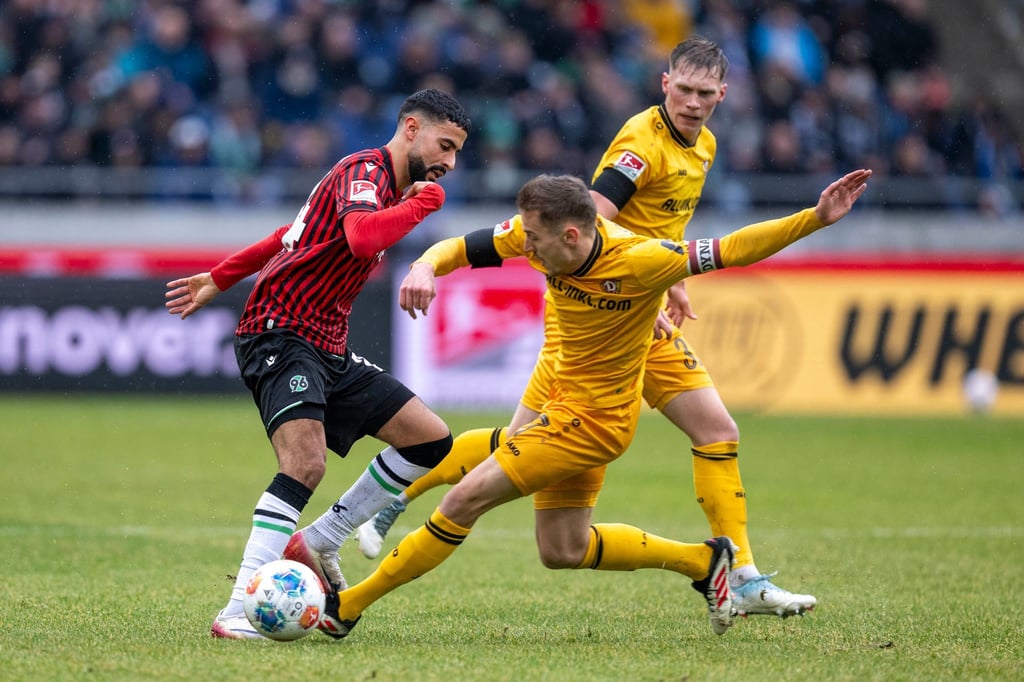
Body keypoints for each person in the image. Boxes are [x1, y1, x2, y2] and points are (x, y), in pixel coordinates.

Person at [359, 36, 815, 618]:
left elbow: (655, 230)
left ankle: (740, 574)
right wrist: (638, 276)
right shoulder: (640, 142)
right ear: (664, 83)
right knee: (521, 446)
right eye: (685, 90)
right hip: (601, 311)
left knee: (716, 430)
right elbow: (595, 215)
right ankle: (395, 495)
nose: (694, 104)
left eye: (706, 94)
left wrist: (665, 274)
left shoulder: (704, 145)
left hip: (640, 305)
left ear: (723, 94)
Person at [308, 170, 870, 639]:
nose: (523, 246)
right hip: (562, 406)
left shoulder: (642, 261)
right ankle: (706, 561)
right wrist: (426, 265)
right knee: (563, 549)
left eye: (533, 238)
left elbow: (735, 248)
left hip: (589, 425)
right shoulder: (543, 236)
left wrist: (814, 218)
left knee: (464, 500)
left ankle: (349, 606)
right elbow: (462, 245)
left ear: (574, 236)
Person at [163, 88, 472, 639]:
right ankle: (237, 611)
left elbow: (289, 236)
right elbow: (359, 239)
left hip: (327, 345)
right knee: (304, 464)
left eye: (456, 153)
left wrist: (219, 276)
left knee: (430, 440)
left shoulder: (386, 187)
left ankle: (323, 538)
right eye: (444, 146)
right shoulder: (366, 173)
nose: (449, 163)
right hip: (278, 330)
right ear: (409, 129)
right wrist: (423, 206)